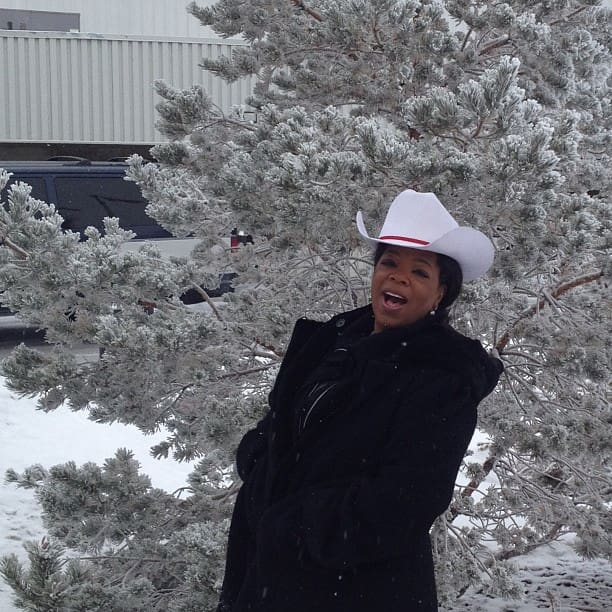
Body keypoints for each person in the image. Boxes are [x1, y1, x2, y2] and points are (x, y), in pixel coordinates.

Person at [217, 190, 503, 612]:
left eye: (419, 272)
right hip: (269, 575)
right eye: (389, 263)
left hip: (356, 587)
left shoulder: (442, 380)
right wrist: (258, 461)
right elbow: (284, 422)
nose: (398, 277)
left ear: (440, 294)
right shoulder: (334, 341)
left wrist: (292, 526)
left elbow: (405, 503)